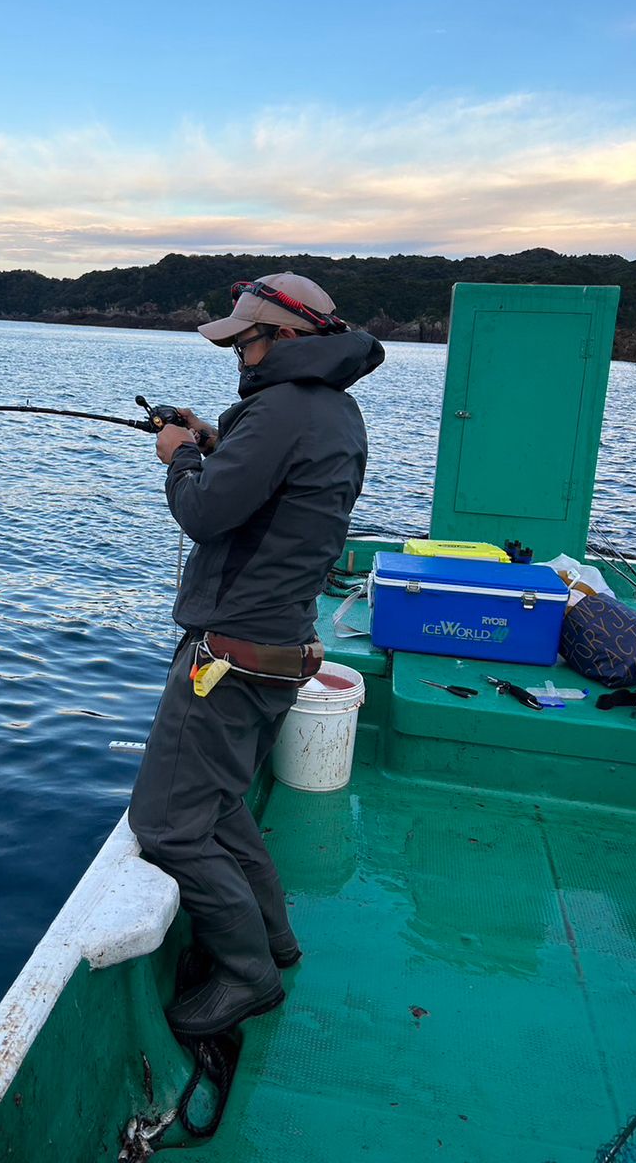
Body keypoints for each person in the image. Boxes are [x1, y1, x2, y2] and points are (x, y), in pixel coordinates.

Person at [127, 271, 384, 1040]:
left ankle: (248, 974)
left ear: (289, 338)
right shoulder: (334, 411)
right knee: (223, 807)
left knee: (169, 825)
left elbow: (206, 513)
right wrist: (214, 439)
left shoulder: (278, 413)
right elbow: (272, 491)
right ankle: (274, 939)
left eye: (247, 340)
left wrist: (179, 458)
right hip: (281, 647)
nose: (239, 354)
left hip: (231, 659)